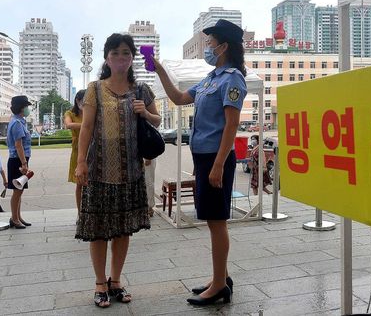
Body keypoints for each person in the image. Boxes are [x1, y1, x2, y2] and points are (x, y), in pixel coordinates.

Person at [151, 19, 247, 306]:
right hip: (204, 157)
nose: (207, 47)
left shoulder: (232, 79)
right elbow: (180, 98)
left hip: (217, 158)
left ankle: (219, 286)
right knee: (212, 220)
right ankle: (222, 277)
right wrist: (161, 71)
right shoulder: (210, 79)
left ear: (224, 46)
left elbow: (231, 126)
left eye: (210, 43)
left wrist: (218, 165)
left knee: (217, 222)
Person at [74, 33, 161, 308]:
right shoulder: (95, 89)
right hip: (99, 170)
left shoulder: (142, 90)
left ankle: (116, 280)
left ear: (133, 57)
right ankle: (100, 282)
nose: (121, 58)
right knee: (98, 229)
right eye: (115, 53)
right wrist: (81, 162)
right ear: (106, 58)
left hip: (130, 171)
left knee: (123, 230)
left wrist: (144, 113)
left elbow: (157, 120)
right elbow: (86, 128)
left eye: (126, 52)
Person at [6, 95, 33, 229]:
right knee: (17, 190)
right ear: (21, 108)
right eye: (26, 106)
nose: (28, 109)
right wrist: (24, 163)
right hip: (17, 160)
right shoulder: (16, 123)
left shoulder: (20, 121)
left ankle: (17, 216)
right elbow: (18, 145)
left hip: (20, 159)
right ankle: (14, 219)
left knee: (20, 190)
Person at [64, 89, 86, 210]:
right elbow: (69, 125)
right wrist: (86, 125)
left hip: (91, 149)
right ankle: (80, 212)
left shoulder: (91, 111)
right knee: (79, 183)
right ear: (77, 100)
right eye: (84, 101)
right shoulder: (70, 113)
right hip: (78, 151)